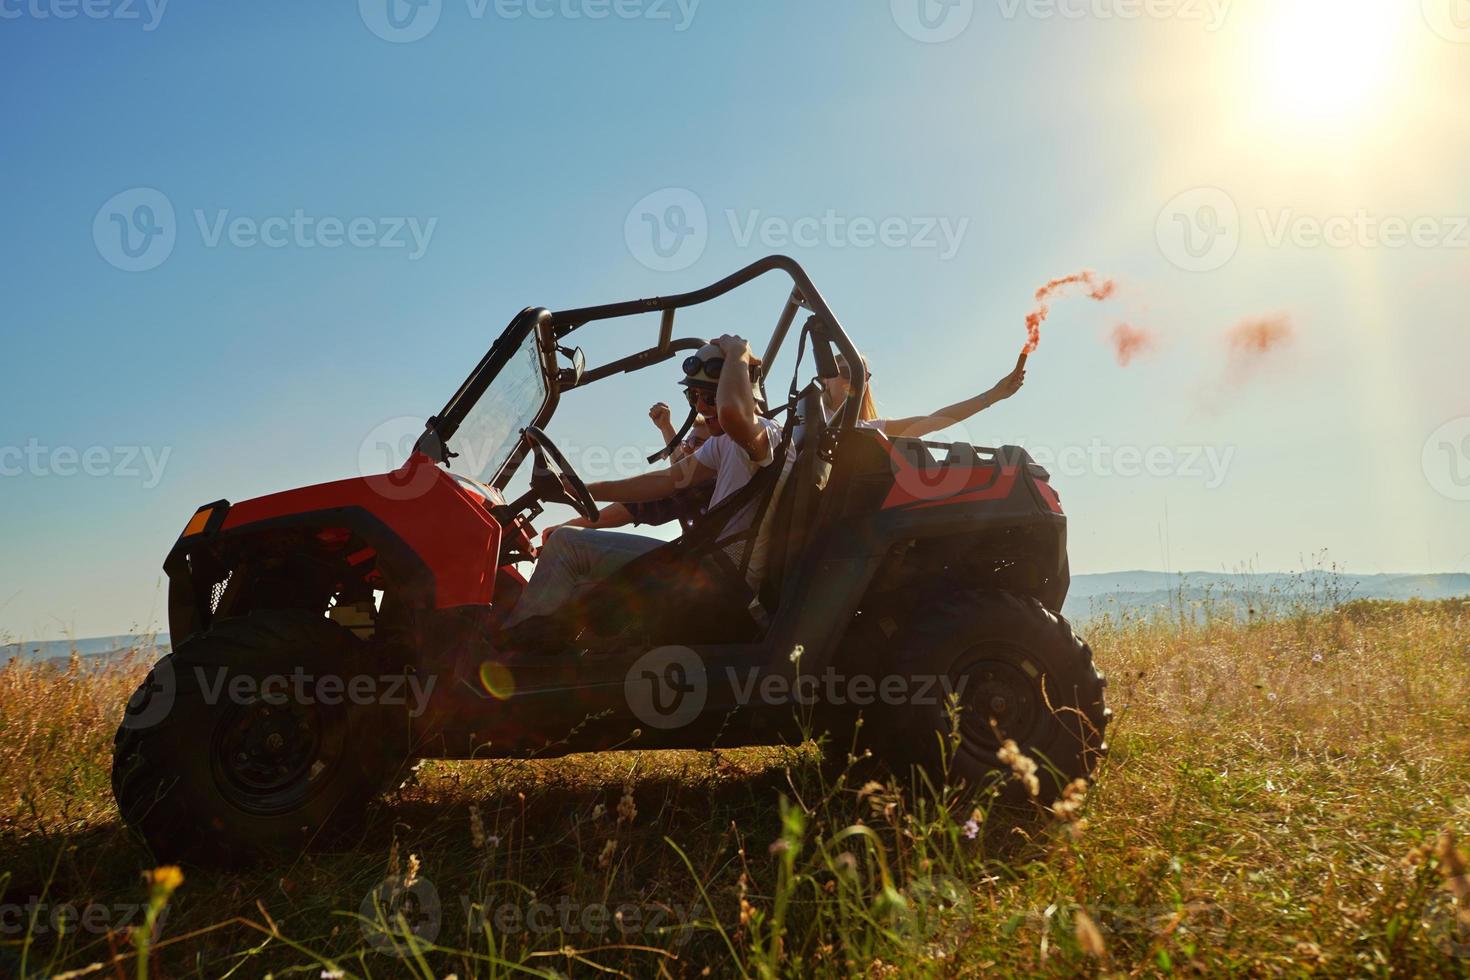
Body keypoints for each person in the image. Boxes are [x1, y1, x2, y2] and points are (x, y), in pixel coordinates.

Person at [501, 334, 781, 633]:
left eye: (711, 397)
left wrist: (739, 352)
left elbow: (732, 414)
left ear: (742, 391)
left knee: (567, 545)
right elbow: (666, 480)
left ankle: (508, 645)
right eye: (693, 397)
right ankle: (543, 660)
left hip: (720, 581)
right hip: (701, 566)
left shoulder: (764, 435)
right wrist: (578, 487)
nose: (700, 406)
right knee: (580, 589)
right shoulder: (724, 443)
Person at [538, 402, 712, 543]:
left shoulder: (706, 484)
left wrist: (565, 526)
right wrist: (666, 427)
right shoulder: (704, 478)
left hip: (692, 568)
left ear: (714, 450)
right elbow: (681, 468)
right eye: (686, 441)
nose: (687, 447)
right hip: (693, 558)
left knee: (568, 547)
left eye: (695, 442)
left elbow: (638, 505)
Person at [820, 352, 1026, 438]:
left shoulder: (870, 430)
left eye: (862, 376)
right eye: (847, 372)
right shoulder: (805, 417)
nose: (855, 381)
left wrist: (994, 394)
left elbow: (934, 421)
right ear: (825, 379)